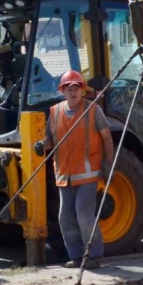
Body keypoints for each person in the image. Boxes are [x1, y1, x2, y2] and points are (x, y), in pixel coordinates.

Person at [40, 70, 114, 269]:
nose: (73, 92)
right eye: (69, 88)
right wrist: (41, 145)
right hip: (64, 174)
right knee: (65, 217)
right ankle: (76, 255)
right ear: (62, 91)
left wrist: (108, 163)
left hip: (87, 173)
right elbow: (50, 139)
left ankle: (95, 255)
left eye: (76, 88)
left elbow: (107, 137)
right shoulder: (55, 112)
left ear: (82, 91)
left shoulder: (93, 110)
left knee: (84, 214)